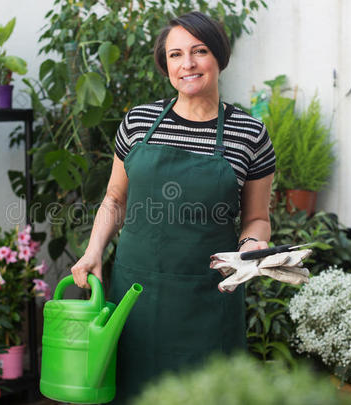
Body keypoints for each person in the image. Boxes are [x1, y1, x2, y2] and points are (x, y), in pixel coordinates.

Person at [70, 11, 275, 403]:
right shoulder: (138, 122)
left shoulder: (249, 133)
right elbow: (115, 200)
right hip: (135, 299)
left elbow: (256, 218)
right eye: (176, 54)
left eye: (199, 52)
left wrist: (251, 248)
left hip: (209, 299)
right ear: (165, 65)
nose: (188, 64)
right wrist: (94, 250)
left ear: (219, 57)